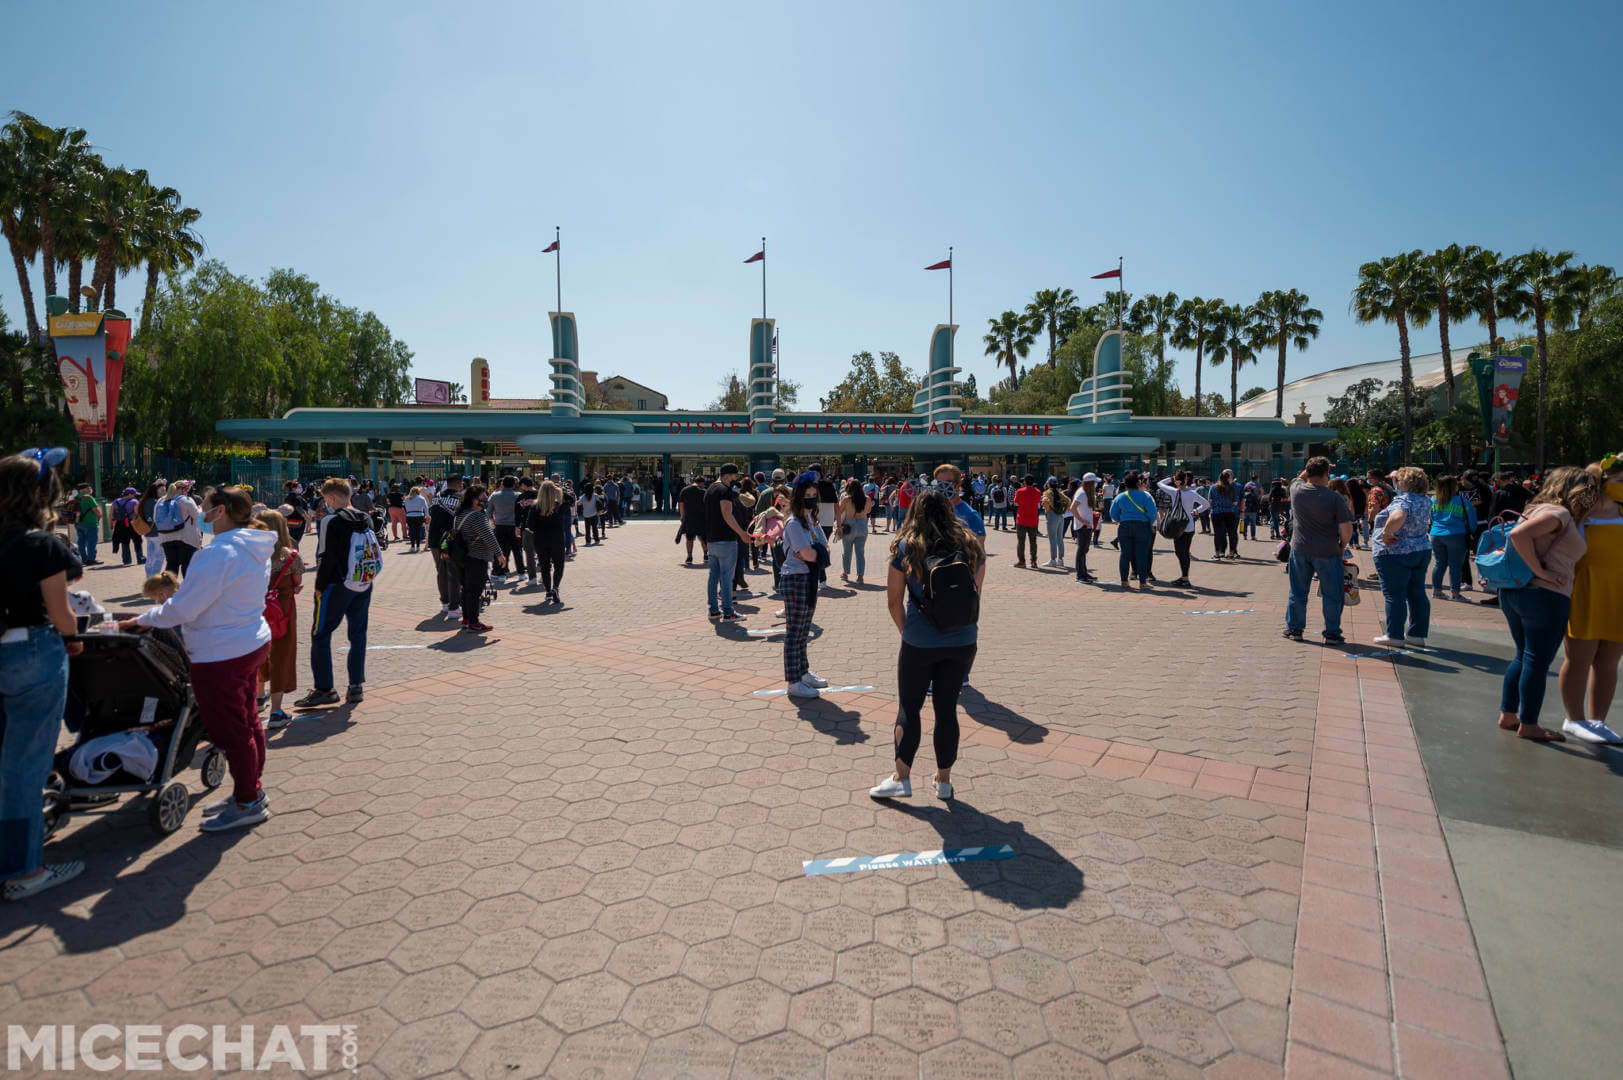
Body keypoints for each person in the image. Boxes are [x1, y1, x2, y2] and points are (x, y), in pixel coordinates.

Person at [121, 486, 276, 832]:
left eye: (205, 508)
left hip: (221, 652)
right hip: (248, 641)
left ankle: (247, 800)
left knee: (231, 729)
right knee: (248, 721)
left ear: (220, 511)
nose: (201, 515)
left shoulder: (217, 554)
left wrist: (141, 620)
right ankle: (250, 791)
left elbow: (185, 607)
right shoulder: (253, 546)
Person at [0, 450, 86, 899]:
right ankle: (23, 871)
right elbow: (62, 612)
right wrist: (73, 639)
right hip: (32, 650)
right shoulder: (40, 545)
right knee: (25, 767)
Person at [870, 489, 985, 800]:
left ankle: (901, 778)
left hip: (920, 641)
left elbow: (894, 601)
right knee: (947, 710)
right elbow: (975, 594)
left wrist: (908, 632)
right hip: (963, 639)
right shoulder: (971, 544)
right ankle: (943, 782)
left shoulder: (908, 547)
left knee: (910, 707)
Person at [1495, 466, 1602, 742]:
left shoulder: (1536, 508)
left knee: (1522, 655)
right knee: (1536, 661)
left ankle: (1509, 714)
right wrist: (1542, 572)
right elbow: (1519, 536)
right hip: (1545, 595)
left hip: (1516, 591)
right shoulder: (1559, 513)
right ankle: (1529, 724)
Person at [295, 478, 377, 707]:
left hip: (335, 585)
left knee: (320, 634)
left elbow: (326, 557)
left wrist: (319, 586)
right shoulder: (364, 517)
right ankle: (356, 686)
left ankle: (324, 688)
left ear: (330, 497)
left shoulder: (331, 520)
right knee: (358, 634)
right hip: (362, 581)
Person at [1558, 456, 1623, 742]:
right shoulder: (1576, 515)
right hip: (1584, 591)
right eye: (1620, 482)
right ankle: (1574, 719)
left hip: (1618, 595)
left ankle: (1598, 721)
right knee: (1579, 659)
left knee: (1609, 661)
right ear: (1602, 483)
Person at [1283, 457, 1355, 643]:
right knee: (1332, 593)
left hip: (1300, 547)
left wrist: (1310, 468)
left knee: (1298, 591)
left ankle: (1295, 629)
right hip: (1327, 550)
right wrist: (1342, 546)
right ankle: (1331, 632)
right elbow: (1347, 529)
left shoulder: (1296, 490)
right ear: (1327, 474)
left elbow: (1300, 477)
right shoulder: (1335, 498)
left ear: (1308, 471)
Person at [1370, 467, 1433, 648]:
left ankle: (1395, 635)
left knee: (1394, 595)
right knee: (1417, 592)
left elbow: (1398, 515)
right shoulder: (1425, 500)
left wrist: (1386, 533)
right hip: (1421, 549)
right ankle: (1417, 633)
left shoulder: (1404, 500)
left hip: (1396, 552)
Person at [779, 476, 829, 697]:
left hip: (808, 578)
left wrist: (816, 549)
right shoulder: (794, 523)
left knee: (803, 631)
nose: (810, 499)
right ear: (798, 497)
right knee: (795, 632)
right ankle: (794, 681)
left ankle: (803, 671)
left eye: (813, 496)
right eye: (806, 496)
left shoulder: (810, 520)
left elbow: (823, 545)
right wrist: (817, 550)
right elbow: (809, 553)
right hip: (796, 579)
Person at [254, 509, 303, 731]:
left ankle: (257, 697)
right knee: (282, 654)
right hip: (282, 610)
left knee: (257, 652)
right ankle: (276, 711)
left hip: (255, 609)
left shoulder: (251, 555)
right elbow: (297, 583)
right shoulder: (290, 556)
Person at [451, 483, 504, 632]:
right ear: (475, 500)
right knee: (475, 591)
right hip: (476, 557)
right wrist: (499, 554)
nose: (486, 498)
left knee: (466, 589)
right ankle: (474, 622)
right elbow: (489, 536)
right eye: (484, 495)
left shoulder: (460, 513)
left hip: (461, 557)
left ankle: (467, 619)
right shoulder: (477, 516)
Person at [704, 464, 752, 621]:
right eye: (734, 476)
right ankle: (728, 611)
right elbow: (727, 514)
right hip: (726, 539)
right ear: (726, 476)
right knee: (726, 577)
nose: (736, 479)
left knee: (713, 575)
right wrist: (742, 533)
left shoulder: (710, 489)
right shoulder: (724, 491)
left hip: (711, 539)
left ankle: (713, 610)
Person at [1156, 471, 1211, 588]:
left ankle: (1185, 578)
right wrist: (1195, 511)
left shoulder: (1174, 492)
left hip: (1177, 525)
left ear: (1177, 481)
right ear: (1186, 481)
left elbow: (1160, 483)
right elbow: (1206, 504)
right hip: (1189, 524)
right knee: (1185, 552)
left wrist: (1171, 478)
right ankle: (1185, 577)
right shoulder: (1192, 493)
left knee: (1179, 552)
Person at [1429, 475, 1477, 601]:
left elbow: (1431, 517)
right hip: (1456, 535)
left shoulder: (1434, 500)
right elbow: (1471, 520)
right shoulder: (1462, 501)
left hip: (1436, 534)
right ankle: (1455, 593)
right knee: (1455, 566)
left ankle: (1437, 591)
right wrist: (1471, 532)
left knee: (1439, 564)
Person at [1108, 473, 1158, 588]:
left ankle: (1124, 581)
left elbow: (1112, 513)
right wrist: (1148, 522)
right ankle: (1142, 582)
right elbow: (1153, 513)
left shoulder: (1120, 496)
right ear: (1137, 483)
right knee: (1142, 555)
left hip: (1124, 526)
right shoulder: (1145, 496)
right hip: (1142, 526)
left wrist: (1121, 519)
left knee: (1125, 554)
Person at [528, 479, 570, 604]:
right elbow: (572, 499)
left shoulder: (535, 507)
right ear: (554, 491)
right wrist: (560, 489)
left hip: (540, 540)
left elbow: (530, 526)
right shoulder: (559, 506)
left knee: (545, 567)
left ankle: (548, 592)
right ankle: (555, 587)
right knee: (559, 565)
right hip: (557, 539)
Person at [427, 475, 463, 619]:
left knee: (441, 570)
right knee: (453, 572)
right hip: (449, 540)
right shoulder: (461, 498)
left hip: (435, 539)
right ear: (459, 484)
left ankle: (445, 603)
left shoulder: (437, 497)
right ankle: (454, 607)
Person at [156, 479, 202, 578]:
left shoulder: (161, 500)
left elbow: (156, 519)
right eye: (187, 490)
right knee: (187, 566)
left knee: (171, 565)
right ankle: (188, 590)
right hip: (185, 538)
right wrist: (200, 509)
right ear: (183, 490)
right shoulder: (186, 500)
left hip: (166, 538)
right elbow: (198, 517)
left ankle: (168, 590)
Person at [487, 475, 521, 583]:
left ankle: (499, 572)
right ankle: (521, 572)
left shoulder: (494, 495)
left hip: (499, 525)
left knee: (499, 550)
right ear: (513, 484)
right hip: (513, 525)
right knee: (517, 550)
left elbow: (488, 512)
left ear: (502, 484)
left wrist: (493, 521)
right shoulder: (518, 496)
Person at [838, 478, 869, 584]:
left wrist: (838, 525)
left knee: (847, 552)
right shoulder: (867, 498)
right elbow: (868, 510)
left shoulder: (847, 499)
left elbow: (839, 510)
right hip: (863, 525)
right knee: (860, 552)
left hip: (849, 525)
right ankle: (860, 576)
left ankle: (845, 574)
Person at [1071, 473, 1100, 583]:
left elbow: (1081, 509)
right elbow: (1072, 508)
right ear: (1091, 483)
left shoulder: (1085, 492)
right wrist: (1083, 521)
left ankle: (1084, 572)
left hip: (1086, 525)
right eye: (1094, 482)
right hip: (1083, 526)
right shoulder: (1082, 493)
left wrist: (1092, 514)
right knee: (1081, 550)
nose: (1096, 484)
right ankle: (1080, 575)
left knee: (1084, 550)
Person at [137, 480, 167, 576]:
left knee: (150, 557)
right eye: (162, 490)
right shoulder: (155, 502)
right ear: (155, 490)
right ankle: (154, 580)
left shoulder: (145, 501)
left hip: (148, 532)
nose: (163, 492)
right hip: (157, 533)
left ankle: (149, 579)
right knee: (159, 557)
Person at [1209, 470, 1241, 559]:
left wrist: (1216, 505)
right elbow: (1235, 502)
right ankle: (1231, 553)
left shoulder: (1213, 487)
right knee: (1232, 533)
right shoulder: (1232, 488)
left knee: (1218, 534)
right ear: (1228, 478)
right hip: (1230, 513)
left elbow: (1210, 500)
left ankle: (1217, 554)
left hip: (1216, 513)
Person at [1011, 475, 1043, 568]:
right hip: (1033, 520)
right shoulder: (1037, 492)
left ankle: (1022, 561)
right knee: (1033, 541)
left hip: (1021, 519)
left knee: (1021, 541)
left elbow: (1016, 503)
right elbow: (1037, 502)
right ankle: (1033, 561)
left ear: (1024, 481)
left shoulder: (1020, 491)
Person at [676, 475, 707, 563]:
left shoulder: (684, 490)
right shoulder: (704, 492)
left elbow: (681, 505)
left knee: (689, 539)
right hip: (701, 519)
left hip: (689, 519)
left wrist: (682, 517)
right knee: (704, 538)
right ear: (701, 483)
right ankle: (706, 555)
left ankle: (689, 557)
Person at [1041, 478, 1069, 568]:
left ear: (1048, 484)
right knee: (1059, 538)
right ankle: (1060, 560)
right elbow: (1068, 501)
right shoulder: (1059, 492)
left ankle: (1053, 560)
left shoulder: (1047, 492)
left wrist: (1048, 510)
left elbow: (1045, 502)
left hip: (1052, 516)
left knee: (1052, 539)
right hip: (1060, 516)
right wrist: (1063, 510)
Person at [404, 485, 428, 553]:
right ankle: (418, 547)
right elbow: (426, 508)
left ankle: (412, 547)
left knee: (412, 532)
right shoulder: (421, 498)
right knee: (418, 531)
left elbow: (406, 508)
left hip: (410, 516)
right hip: (419, 515)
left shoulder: (406, 499)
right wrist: (427, 516)